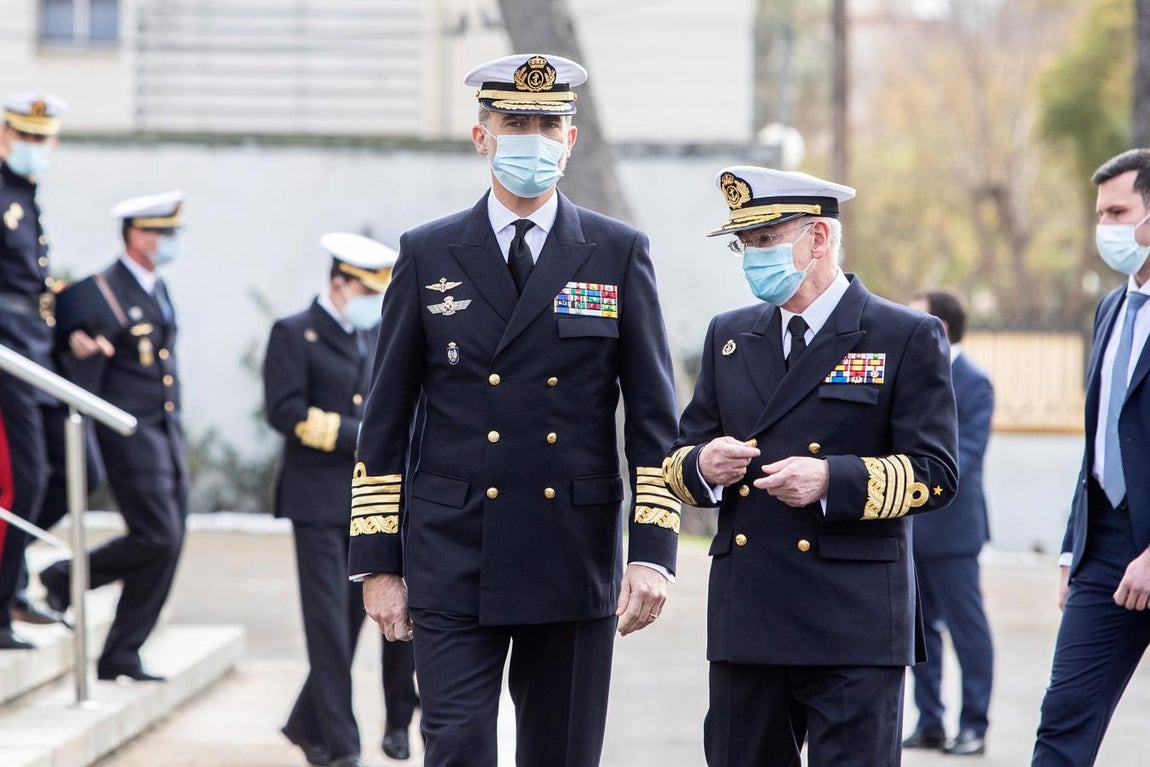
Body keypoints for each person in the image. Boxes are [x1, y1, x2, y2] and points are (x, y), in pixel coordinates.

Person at [350, 53, 681, 767]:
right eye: (515, 123)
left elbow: (655, 421)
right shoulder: (428, 253)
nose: (533, 139)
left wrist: (653, 552)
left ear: (570, 140)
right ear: (482, 137)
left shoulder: (617, 253)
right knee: (457, 747)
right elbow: (385, 420)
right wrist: (378, 563)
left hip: (572, 552)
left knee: (562, 755)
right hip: (452, 550)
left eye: (548, 125)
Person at [661, 165, 959, 767]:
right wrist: (704, 467)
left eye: (766, 240)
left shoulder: (902, 335)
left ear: (818, 238)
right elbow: (678, 458)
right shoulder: (729, 336)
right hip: (751, 613)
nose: (752, 257)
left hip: (852, 617)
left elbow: (936, 472)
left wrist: (831, 480)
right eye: (744, 244)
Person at [266, 233, 418, 767]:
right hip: (315, 498)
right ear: (338, 284)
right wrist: (361, 435)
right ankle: (340, 744)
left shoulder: (374, 334)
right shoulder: (294, 333)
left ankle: (306, 724)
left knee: (354, 622)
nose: (374, 302)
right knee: (327, 626)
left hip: (369, 499)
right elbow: (284, 410)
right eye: (366, 291)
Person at [39, 190, 188, 682]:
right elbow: (67, 352)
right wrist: (76, 346)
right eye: (162, 233)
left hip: (165, 430)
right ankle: (64, 577)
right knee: (158, 535)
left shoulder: (157, 287)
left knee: (170, 542)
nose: (170, 241)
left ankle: (122, 652)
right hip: (127, 433)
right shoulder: (102, 290)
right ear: (136, 235)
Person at [1032, 148, 1150, 765]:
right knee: (1064, 721)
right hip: (1104, 547)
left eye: (1118, 213)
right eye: (1100, 213)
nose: (1104, 227)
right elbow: (1101, 438)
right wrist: (1071, 549)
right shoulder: (1110, 309)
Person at [902, 290, 995, 757]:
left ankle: (974, 725)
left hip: (954, 533)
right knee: (919, 633)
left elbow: (965, 455)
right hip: (910, 527)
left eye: (914, 317)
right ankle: (931, 722)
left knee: (966, 631)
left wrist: (908, 478)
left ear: (939, 327)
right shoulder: (910, 375)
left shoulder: (974, 383)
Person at [0, 92, 72, 650]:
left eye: (43, 138)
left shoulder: (25, 194)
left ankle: (13, 573)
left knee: (75, 471)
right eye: (25, 135)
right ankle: (4, 600)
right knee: (22, 484)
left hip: (36, 349)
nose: (34, 146)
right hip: (8, 350)